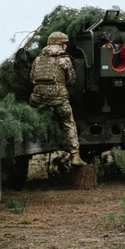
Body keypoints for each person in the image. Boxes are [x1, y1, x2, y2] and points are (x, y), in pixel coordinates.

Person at [30, 31, 86, 167]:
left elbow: (32, 78)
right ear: (59, 44)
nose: (66, 46)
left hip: (38, 97)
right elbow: (71, 79)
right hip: (59, 98)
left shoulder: (38, 59)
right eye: (64, 44)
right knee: (68, 122)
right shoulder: (64, 59)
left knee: (31, 116)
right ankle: (75, 155)